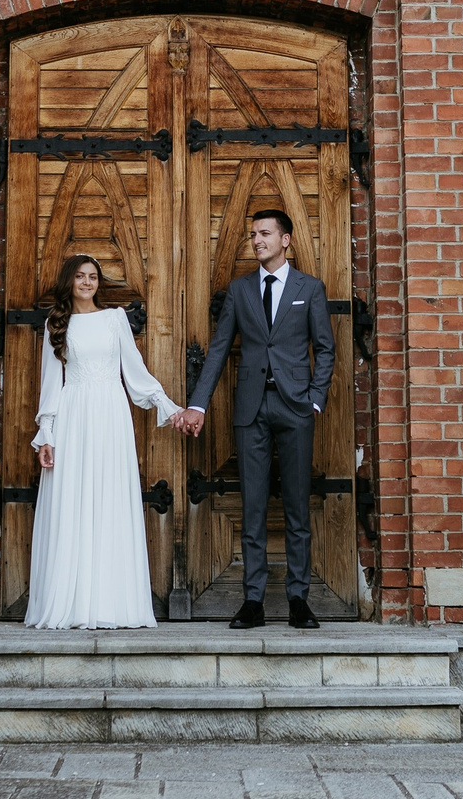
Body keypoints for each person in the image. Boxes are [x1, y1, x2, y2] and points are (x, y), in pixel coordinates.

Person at [174, 208, 334, 629]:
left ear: (286, 240)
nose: (257, 240)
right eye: (253, 234)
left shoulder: (310, 288)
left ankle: (299, 600)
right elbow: (220, 349)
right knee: (254, 508)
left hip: (296, 408)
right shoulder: (240, 290)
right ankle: (253, 601)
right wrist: (198, 404)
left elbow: (326, 348)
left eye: (265, 233)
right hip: (251, 411)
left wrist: (314, 401)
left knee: (298, 507)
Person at [25, 253, 185, 628]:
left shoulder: (115, 319)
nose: (86, 282)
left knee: (109, 499)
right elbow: (51, 383)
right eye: (80, 276)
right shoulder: (56, 323)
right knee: (74, 501)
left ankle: (112, 603)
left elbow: (134, 370)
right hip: (74, 416)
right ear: (69, 281)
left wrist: (166, 405)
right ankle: (74, 603)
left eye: (93, 276)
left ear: (100, 282)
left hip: (111, 416)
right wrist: (46, 432)